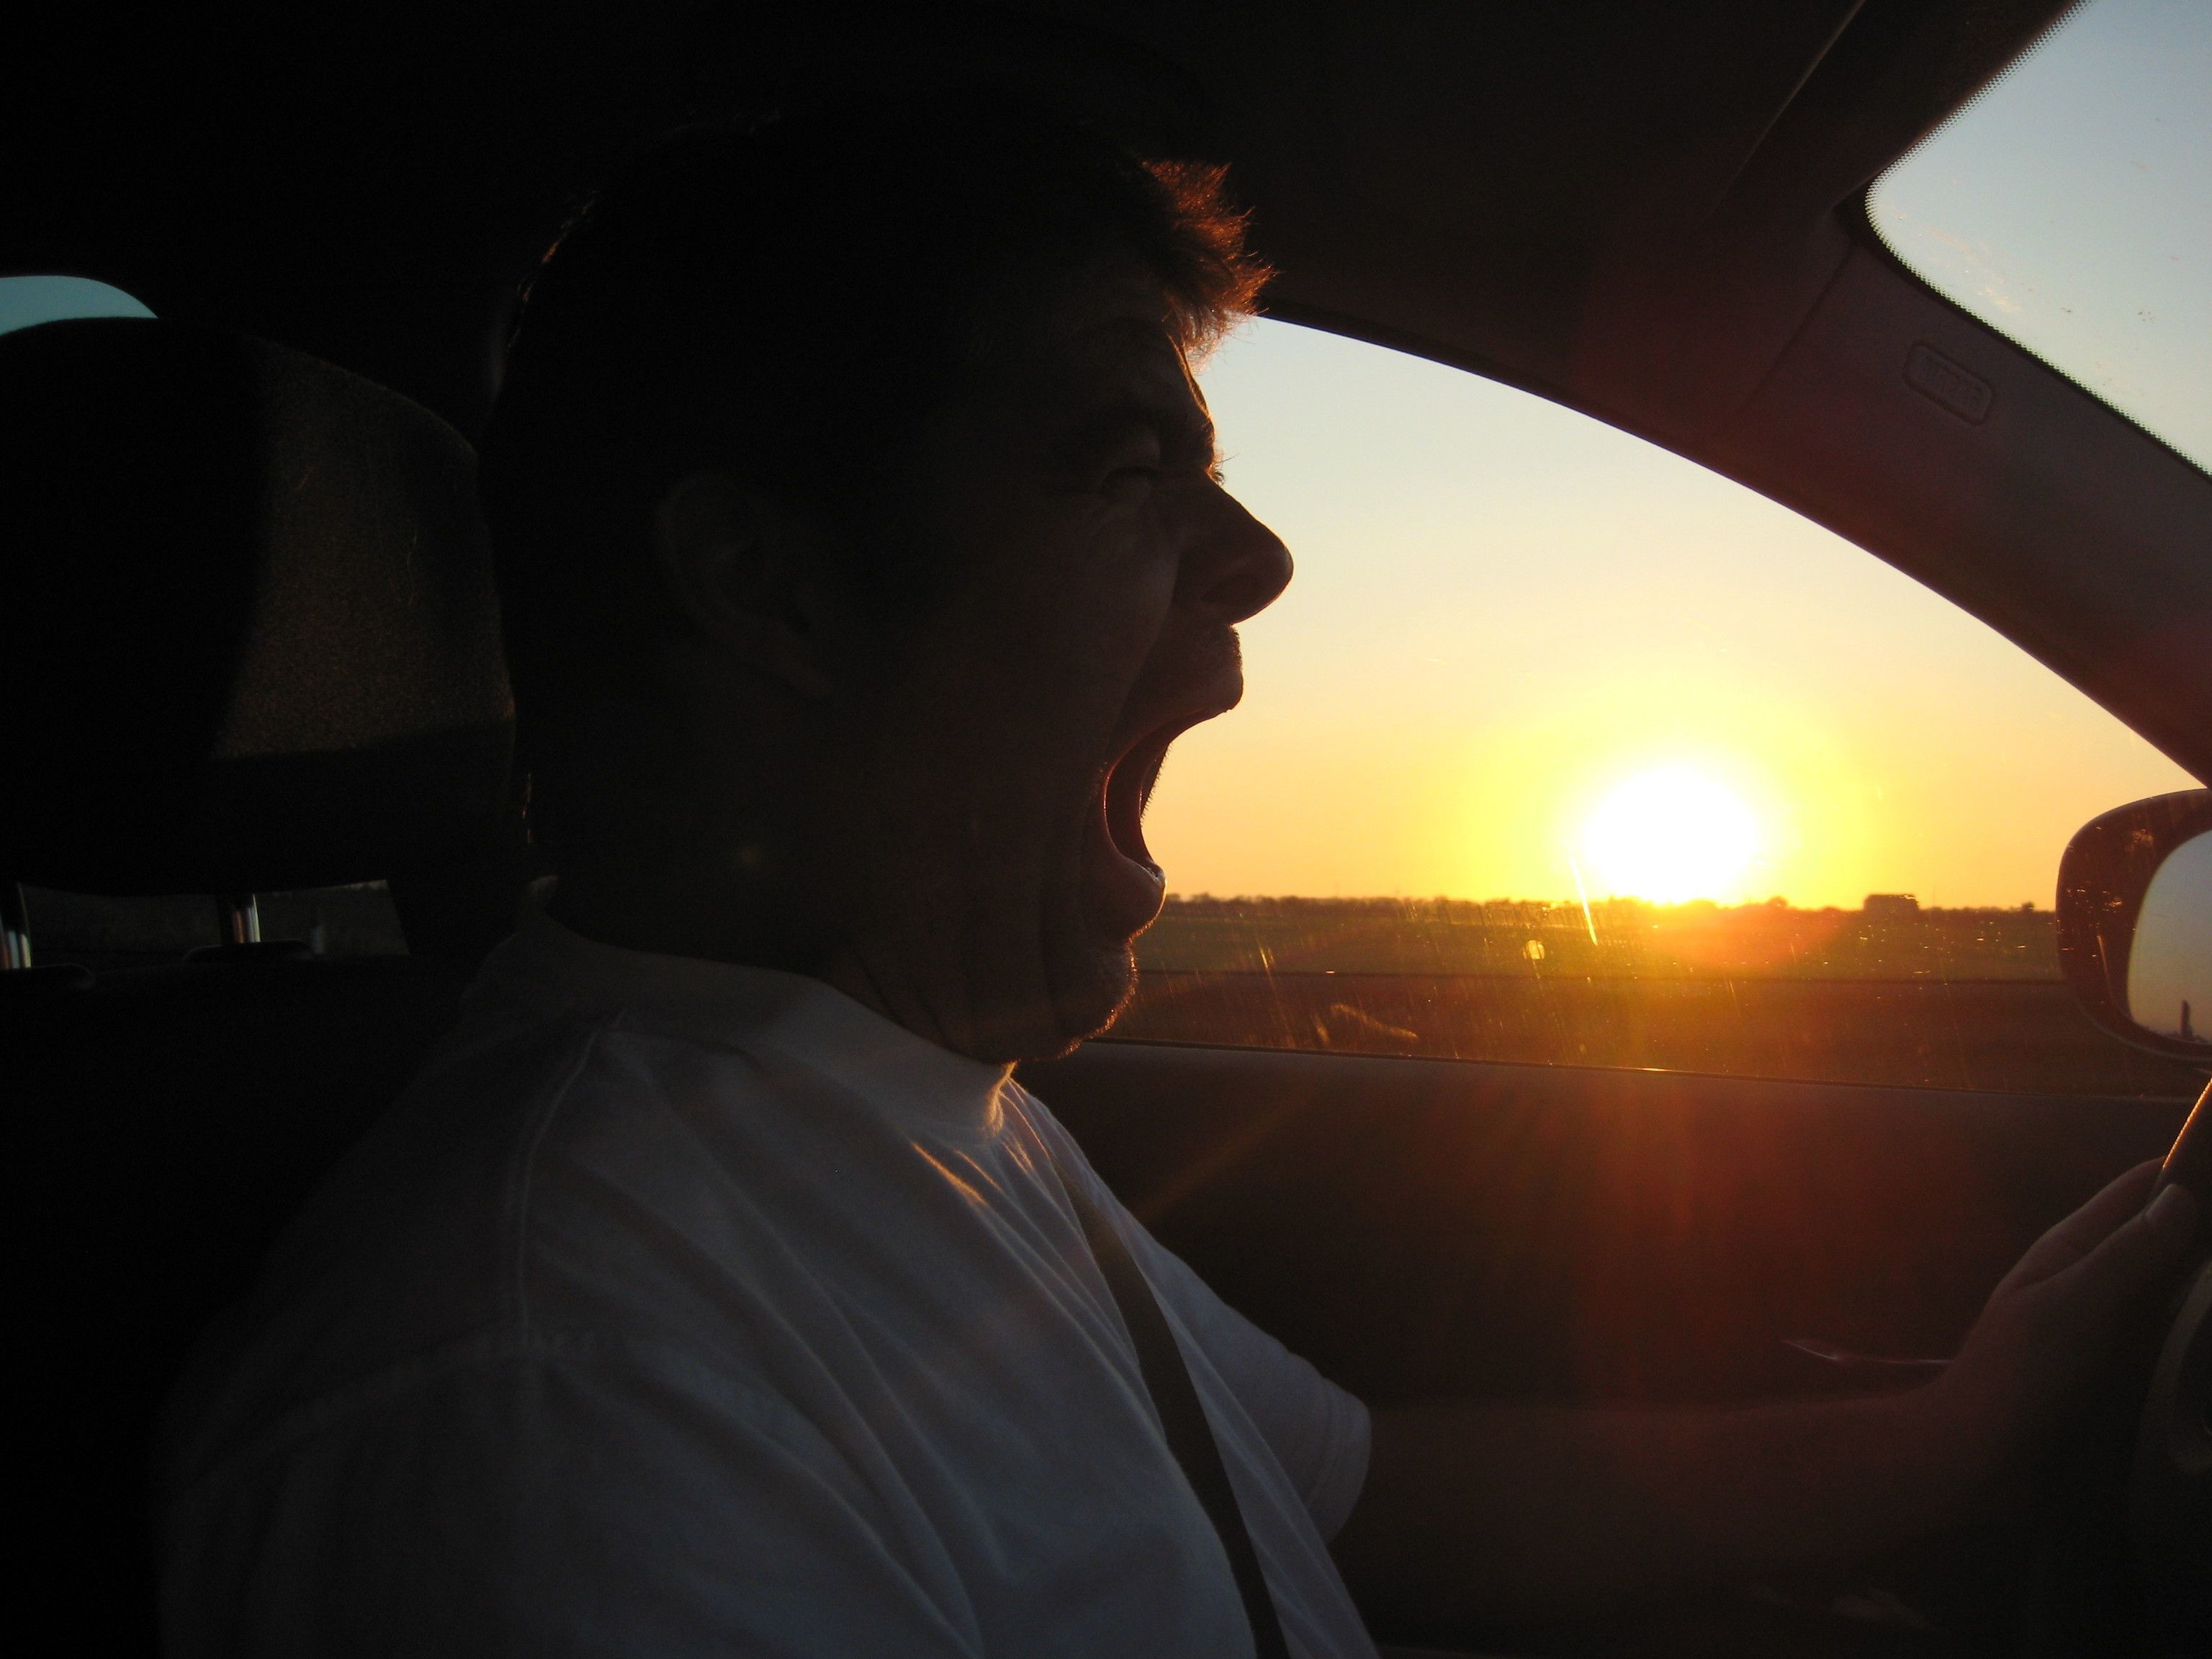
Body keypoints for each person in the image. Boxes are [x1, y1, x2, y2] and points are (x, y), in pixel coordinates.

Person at [157, 95, 2199, 1656]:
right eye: (1128, 466)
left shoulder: (904, 1105)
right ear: (771, 588)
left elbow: (1358, 1501)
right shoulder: (562, 1401)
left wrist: (1948, 1434)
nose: (1261, 562)